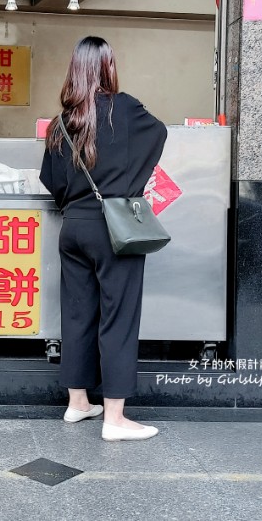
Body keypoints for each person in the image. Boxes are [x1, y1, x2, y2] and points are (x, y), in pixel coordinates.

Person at [39, 36, 167, 442]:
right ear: (108, 66)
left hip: (73, 227)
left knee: (77, 314)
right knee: (119, 317)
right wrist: (128, 183)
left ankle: (78, 403)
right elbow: (159, 134)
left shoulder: (61, 123)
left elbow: (52, 181)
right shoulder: (125, 108)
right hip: (114, 229)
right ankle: (115, 418)